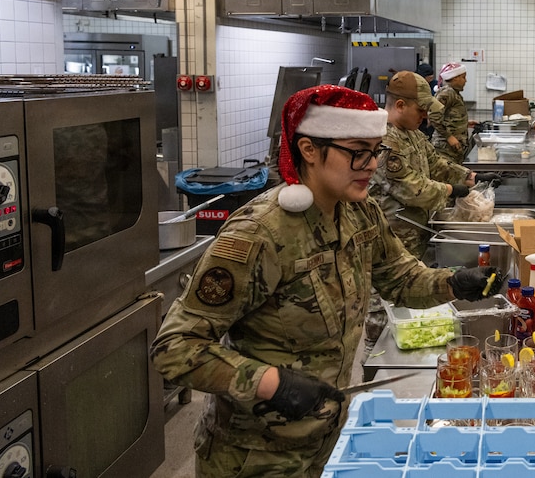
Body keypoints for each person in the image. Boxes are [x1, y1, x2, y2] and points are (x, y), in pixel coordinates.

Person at [150, 85, 503, 478]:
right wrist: (268, 382)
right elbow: (174, 348)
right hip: (254, 455)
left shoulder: (360, 211)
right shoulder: (259, 234)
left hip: (327, 436)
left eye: (376, 151)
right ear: (309, 150)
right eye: (357, 151)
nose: (371, 165)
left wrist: (455, 284)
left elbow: (401, 278)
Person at [370, 71, 491, 258]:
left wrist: (471, 177)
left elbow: (435, 162)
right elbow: (410, 188)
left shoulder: (412, 133)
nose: (426, 116)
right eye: (421, 110)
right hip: (393, 240)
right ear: (400, 105)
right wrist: (451, 190)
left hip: (415, 233)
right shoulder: (383, 140)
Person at [430, 62, 472, 163]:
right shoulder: (447, 93)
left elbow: (449, 116)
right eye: (463, 77)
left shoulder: (454, 92)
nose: (465, 81)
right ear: (455, 78)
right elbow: (433, 116)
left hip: (452, 148)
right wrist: (449, 137)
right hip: (445, 148)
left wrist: (464, 123)